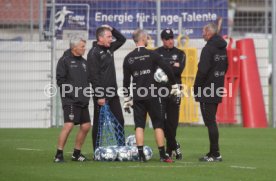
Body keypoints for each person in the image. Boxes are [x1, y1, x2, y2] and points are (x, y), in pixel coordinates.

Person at [123, 29, 182, 163]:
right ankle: (163, 155)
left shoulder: (128, 58)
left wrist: (127, 98)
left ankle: (140, 156)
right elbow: (167, 68)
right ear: (143, 39)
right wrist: (174, 85)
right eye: (147, 38)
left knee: (139, 125)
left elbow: (126, 82)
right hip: (153, 94)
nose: (148, 39)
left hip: (138, 95)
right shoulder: (152, 54)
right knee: (158, 124)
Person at [87, 25, 126, 151]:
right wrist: (100, 95)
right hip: (101, 95)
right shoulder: (93, 53)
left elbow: (122, 39)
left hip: (113, 93)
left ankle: (121, 148)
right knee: (99, 124)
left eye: (111, 36)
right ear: (100, 38)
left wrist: (112, 29)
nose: (111, 39)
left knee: (119, 120)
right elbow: (94, 76)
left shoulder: (110, 48)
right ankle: (97, 151)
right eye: (109, 37)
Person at [193, 23, 228, 162]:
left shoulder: (208, 48)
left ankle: (215, 153)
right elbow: (226, 66)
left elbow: (202, 70)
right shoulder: (222, 48)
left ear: (209, 32)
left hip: (207, 88)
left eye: (203, 31)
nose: (202, 34)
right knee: (211, 120)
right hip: (217, 86)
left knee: (210, 122)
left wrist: (197, 88)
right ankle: (213, 152)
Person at [54, 36, 91, 163]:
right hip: (70, 100)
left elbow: (89, 80)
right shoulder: (64, 61)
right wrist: (72, 94)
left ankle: (76, 153)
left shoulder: (84, 62)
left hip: (83, 101)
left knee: (86, 126)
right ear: (74, 48)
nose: (84, 49)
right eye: (82, 47)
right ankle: (58, 154)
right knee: (69, 125)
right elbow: (60, 81)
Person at [155, 28, 185, 160]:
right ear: (162, 40)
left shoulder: (180, 53)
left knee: (173, 122)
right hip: (160, 90)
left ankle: (169, 148)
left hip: (175, 90)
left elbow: (179, 71)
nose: (170, 41)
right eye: (167, 39)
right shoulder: (156, 53)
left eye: (172, 38)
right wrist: (172, 65)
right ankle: (175, 145)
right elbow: (155, 71)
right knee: (161, 120)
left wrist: (164, 67)